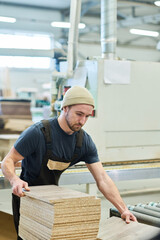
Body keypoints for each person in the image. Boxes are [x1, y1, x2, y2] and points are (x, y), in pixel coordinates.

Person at [1, 86, 137, 240]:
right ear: (65, 108)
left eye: (87, 116)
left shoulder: (84, 141)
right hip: (26, 197)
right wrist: (15, 180)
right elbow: (8, 160)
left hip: (52, 199)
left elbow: (102, 179)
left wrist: (123, 209)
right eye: (79, 114)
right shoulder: (38, 133)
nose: (82, 121)